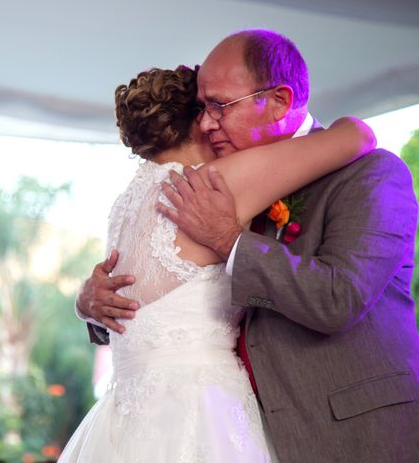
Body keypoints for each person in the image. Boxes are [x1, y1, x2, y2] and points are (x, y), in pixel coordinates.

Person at [76, 30, 419, 462]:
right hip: (232, 427)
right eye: (201, 108)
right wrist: (90, 305)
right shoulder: (218, 181)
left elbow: (339, 299)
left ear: (277, 100)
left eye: (219, 106)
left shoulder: (370, 176)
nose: (204, 122)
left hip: (350, 435)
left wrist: (229, 241)